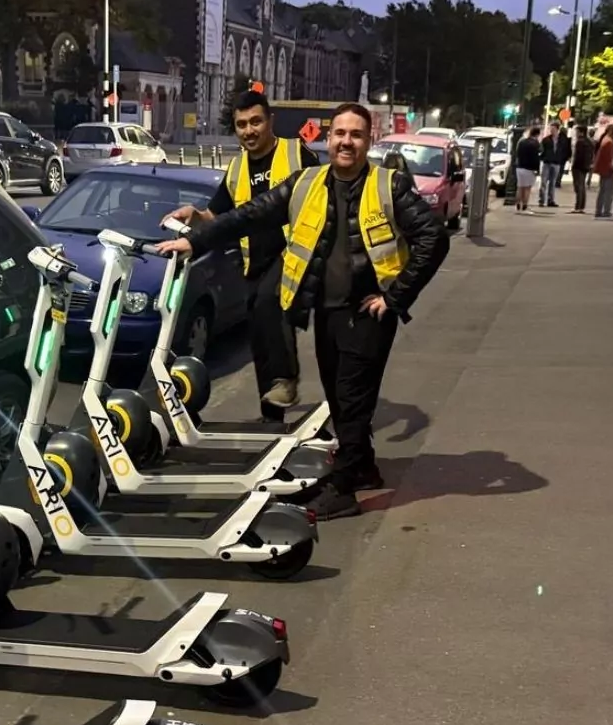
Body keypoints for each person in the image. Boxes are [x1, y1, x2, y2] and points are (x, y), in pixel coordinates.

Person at [155, 103, 449, 519]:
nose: (346, 141)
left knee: (352, 399)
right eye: (340, 134)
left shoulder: (390, 185)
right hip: (326, 311)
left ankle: (344, 489)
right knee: (339, 396)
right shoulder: (307, 182)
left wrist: (396, 297)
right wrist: (197, 239)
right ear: (329, 140)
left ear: (369, 140)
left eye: (356, 135)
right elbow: (249, 215)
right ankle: (362, 466)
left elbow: (434, 239)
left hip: (367, 313)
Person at [165, 91, 319, 422]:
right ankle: (272, 416)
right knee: (260, 338)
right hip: (255, 263)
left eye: (256, 122)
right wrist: (195, 215)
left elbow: (321, 199)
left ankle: (287, 380)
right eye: (241, 125)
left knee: (270, 303)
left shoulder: (297, 155)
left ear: (270, 121)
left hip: (294, 254)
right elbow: (219, 217)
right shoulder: (236, 168)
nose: (249, 131)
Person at [593, 123, 613, 218]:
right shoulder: (609, 142)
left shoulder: (605, 140)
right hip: (608, 170)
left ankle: (599, 210)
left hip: (604, 169)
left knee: (603, 190)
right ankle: (606, 211)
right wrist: (612, 168)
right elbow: (609, 158)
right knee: (608, 191)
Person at [515, 126, 542, 213]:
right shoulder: (535, 144)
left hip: (520, 167)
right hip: (529, 168)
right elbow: (536, 158)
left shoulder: (522, 142)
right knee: (527, 188)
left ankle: (517, 205)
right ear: (537, 134)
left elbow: (517, 153)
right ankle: (525, 206)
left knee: (520, 187)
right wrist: (537, 170)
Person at [570, 125, 594, 214]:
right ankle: (581, 206)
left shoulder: (580, 142)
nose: (575, 133)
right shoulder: (590, 142)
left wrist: (573, 166)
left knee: (578, 187)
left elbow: (578, 156)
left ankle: (578, 207)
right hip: (586, 166)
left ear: (581, 132)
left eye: (576, 131)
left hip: (578, 167)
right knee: (582, 186)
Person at [539, 121, 562, 208]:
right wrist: (543, 157)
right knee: (544, 182)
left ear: (557, 129)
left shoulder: (561, 140)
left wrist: (561, 159)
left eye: (553, 129)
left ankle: (551, 200)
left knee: (553, 183)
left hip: (556, 163)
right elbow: (541, 150)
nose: (551, 130)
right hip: (547, 163)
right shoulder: (546, 140)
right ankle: (541, 200)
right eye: (550, 129)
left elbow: (564, 151)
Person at [554, 123, 572, 191]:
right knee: (561, 170)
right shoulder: (567, 139)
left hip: (556, 157)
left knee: (556, 169)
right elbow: (569, 149)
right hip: (563, 157)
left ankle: (555, 181)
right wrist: (569, 156)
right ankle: (558, 182)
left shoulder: (557, 138)